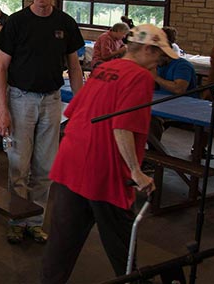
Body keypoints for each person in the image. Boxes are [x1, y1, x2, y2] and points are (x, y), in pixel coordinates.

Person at [41, 24, 172, 283]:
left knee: (61, 243)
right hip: (104, 168)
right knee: (123, 245)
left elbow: (75, 111)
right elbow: (122, 125)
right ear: (147, 49)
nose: (160, 61)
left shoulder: (104, 69)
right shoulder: (140, 76)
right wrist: (136, 171)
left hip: (71, 160)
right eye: (160, 55)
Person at [0, 0, 84, 245]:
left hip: (52, 100)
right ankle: (17, 221)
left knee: (46, 167)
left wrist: (80, 106)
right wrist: (3, 109)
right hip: (21, 99)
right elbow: (0, 68)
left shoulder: (65, 23)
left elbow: (75, 66)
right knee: (19, 165)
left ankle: (35, 222)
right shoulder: (17, 23)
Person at [154, 26, 197, 97]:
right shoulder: (158, 66)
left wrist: (156, 77)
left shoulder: (182, 66)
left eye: (157, 58)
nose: (155, 61)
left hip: (183, 103)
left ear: (165, 55)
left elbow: (179, 89)